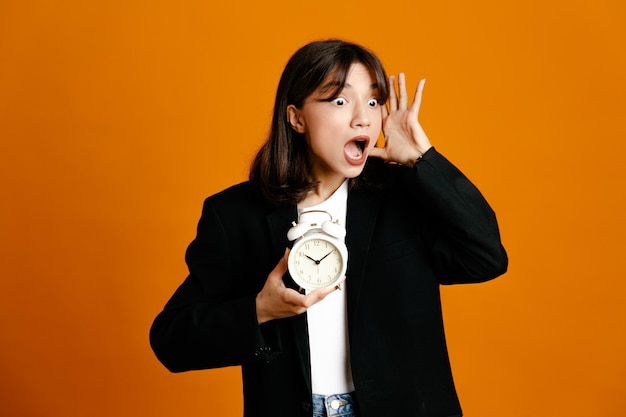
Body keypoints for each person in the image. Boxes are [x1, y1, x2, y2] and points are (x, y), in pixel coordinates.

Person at [150, 39, 508, 417]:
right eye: (340, 101)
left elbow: (486, 258)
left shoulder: (403, 194)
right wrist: (260, 310)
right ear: (296, 118)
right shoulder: (237, 215)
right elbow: (172, 341)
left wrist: (424, 161)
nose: (363, 118)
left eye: (372, 102)